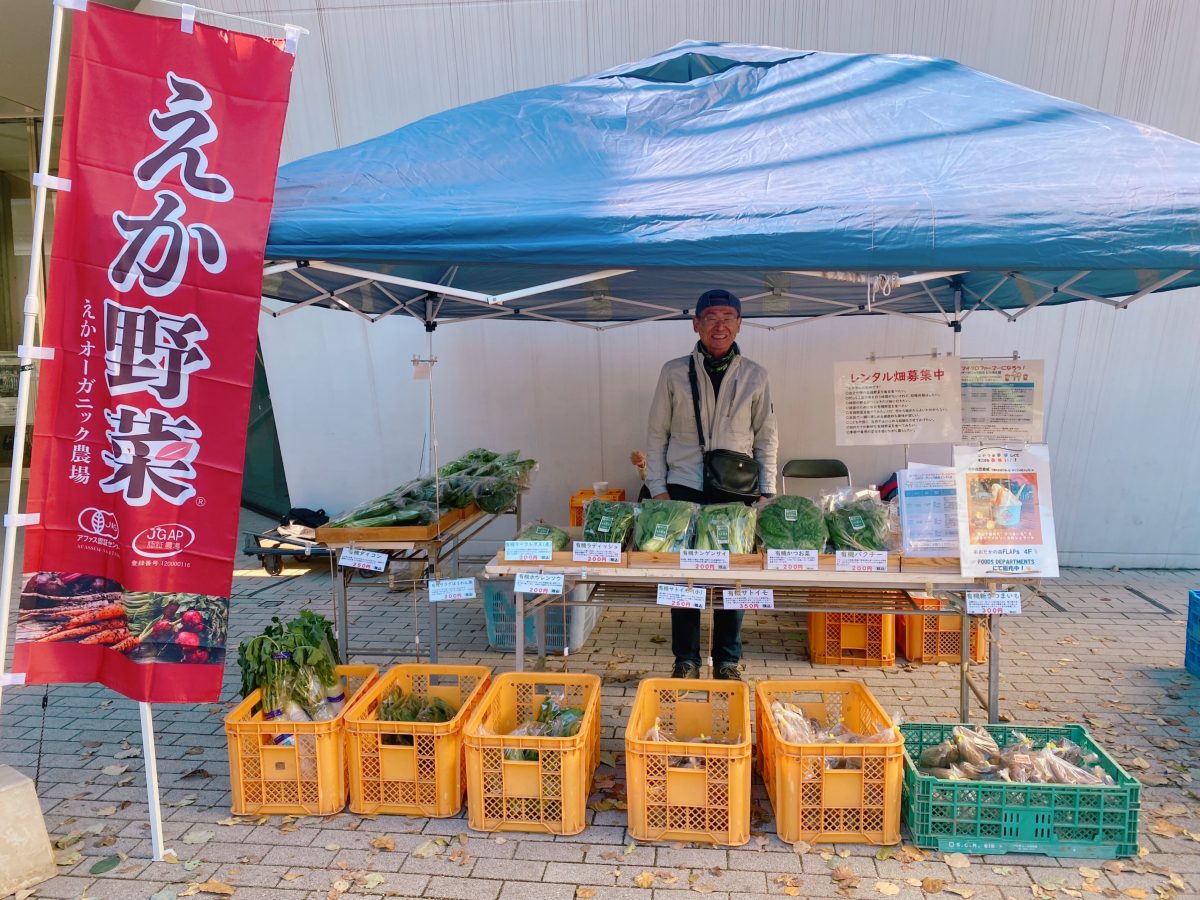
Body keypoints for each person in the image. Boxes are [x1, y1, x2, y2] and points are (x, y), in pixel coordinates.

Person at [644, 289, 779, 680]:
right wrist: (659, 489)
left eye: (728, 317)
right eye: (711, 317)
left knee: (733, 577)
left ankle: (727, 660)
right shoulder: (673, 372)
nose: (720, 325)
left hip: (735, 490)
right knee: (684, 576)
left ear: (739, 324)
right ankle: (685, 658)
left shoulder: (756, 375)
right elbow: (656, 435)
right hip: (683, 486)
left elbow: (766, 436)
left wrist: (766, 490)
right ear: (696, 324)